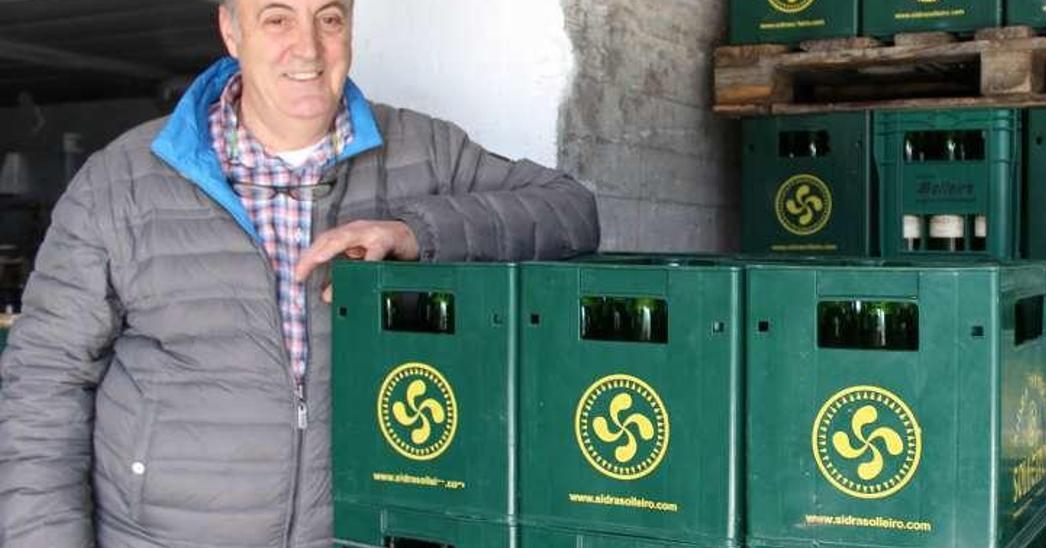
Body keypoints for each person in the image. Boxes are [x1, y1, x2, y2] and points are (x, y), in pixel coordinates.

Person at [0, 0, 599, 546]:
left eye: (330, 18)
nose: (309, 48)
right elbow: (42, 385)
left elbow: (571, 210)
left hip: (355, 534)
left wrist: (412, 231)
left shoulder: (425, 152)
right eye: (278, 18)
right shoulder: (121, 182)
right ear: (231, 31)